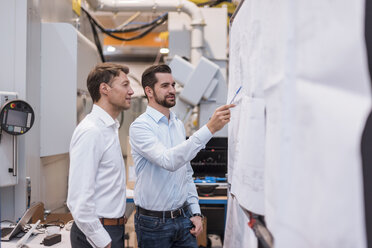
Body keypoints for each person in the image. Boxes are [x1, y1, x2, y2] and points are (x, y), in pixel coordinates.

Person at [129, 64, 234, 247]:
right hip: (153, 225)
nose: (172, 90)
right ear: (149, 91)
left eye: (173, 85)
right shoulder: (140, 127)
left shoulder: (177, 124)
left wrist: (195, 211)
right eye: (165, 86)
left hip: (183, 219)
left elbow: (185, 171)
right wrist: (209, 129)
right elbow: (168, 161)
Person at [67, 63, 134, 248]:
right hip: (97, 235)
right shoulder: (92, 131)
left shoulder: (109, 129)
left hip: (111, 230)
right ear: (104, 89)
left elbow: (105, 183)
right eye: (125, 84)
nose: (131, 91)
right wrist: (102, 241)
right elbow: (78, 199)